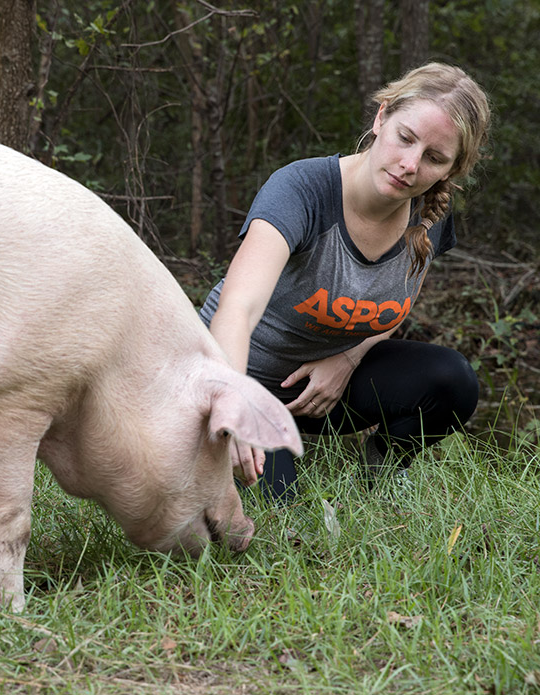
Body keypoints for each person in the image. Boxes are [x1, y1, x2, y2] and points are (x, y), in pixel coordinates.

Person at [199, 62, 491, 501]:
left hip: (319, 390)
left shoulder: (432, 215)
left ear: (450, 169)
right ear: (381, 117)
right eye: (405, 138)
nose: (410, 165)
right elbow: (237, 310)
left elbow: (392, 308)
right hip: (237, 377)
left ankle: (383, 468)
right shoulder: (302, 190)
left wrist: (348, 360)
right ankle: (256, 442)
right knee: (283, 512)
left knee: (453, 380)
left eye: (434, 158)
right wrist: (235, 404)